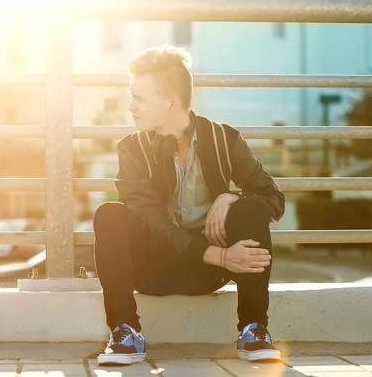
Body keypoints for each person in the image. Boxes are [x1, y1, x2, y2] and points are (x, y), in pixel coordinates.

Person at [93, 45, 285, 366]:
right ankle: (124, 331)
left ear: (171, 101)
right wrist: (221, 254)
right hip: (151, 269)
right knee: (110, 214)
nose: (131, 107)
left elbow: (274, 200)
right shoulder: (133, 149)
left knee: (251, 208)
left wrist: (232, 197)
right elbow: (153, 223)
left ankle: (254, 329)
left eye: (139, 98)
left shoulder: (225, 140)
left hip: (208, 273)